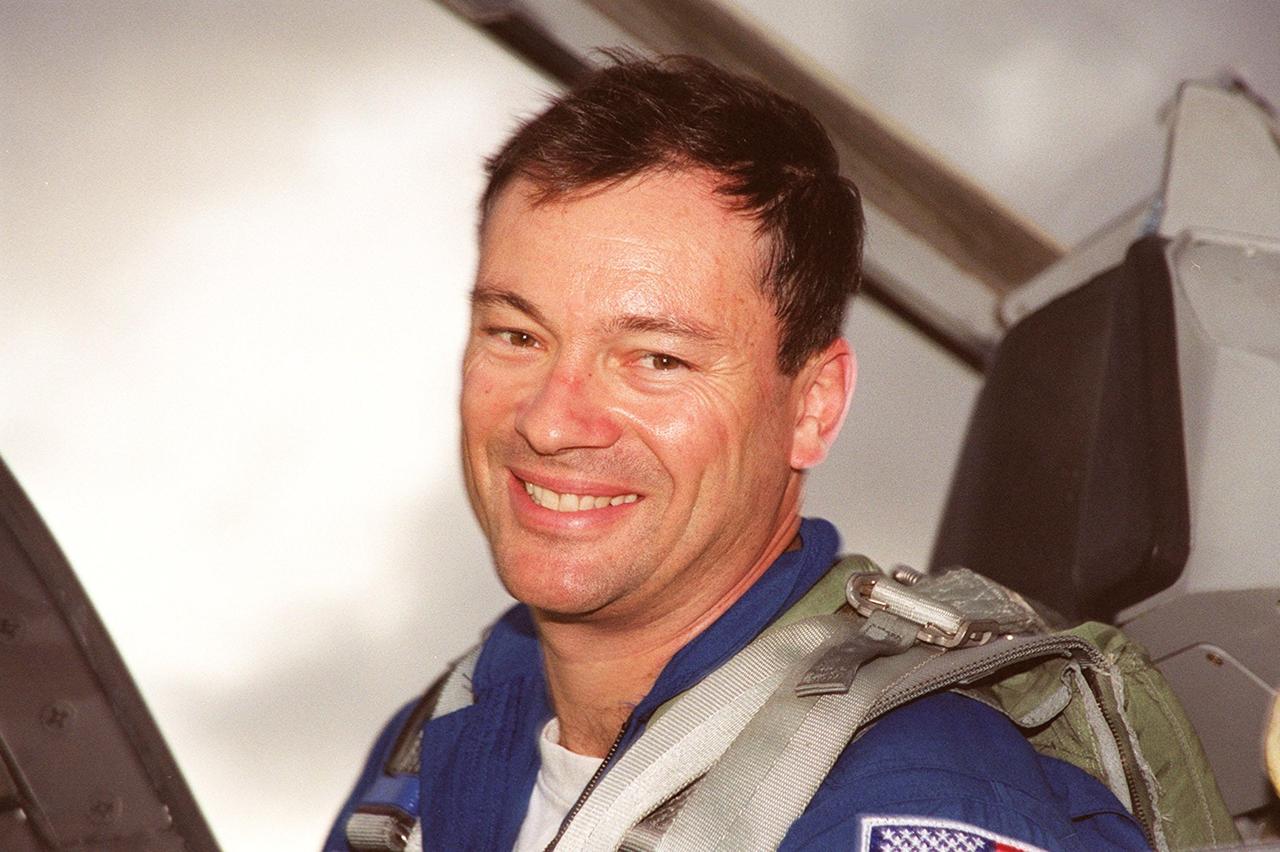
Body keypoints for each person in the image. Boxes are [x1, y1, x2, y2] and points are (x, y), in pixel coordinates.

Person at [326, 54, 1147, 851]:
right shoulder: (439, 742)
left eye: (657, 359)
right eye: (517, 334)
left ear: (811, 406)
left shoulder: (914, 796)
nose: (550, 420)